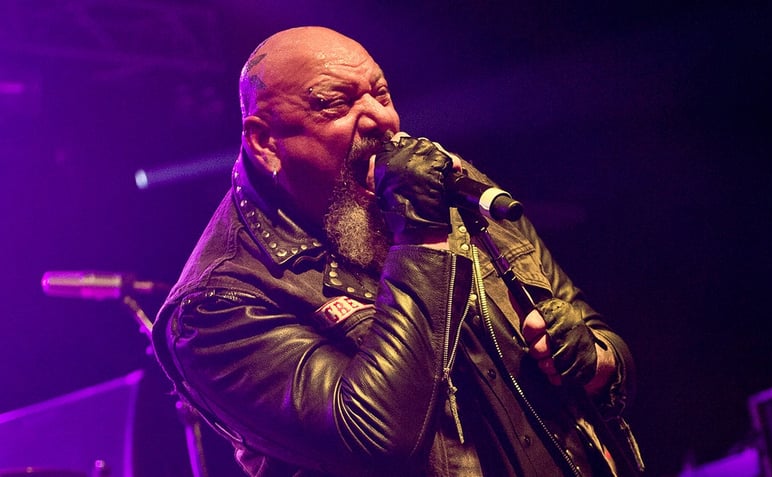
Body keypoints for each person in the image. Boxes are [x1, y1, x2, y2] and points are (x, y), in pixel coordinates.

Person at [152, 26, 643, 477]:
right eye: (334, 103)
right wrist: (422, 240)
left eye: (381, 93)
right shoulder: (216, 304)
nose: (382, 120)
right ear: (266, 142)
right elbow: (374, 438)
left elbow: (607, 347)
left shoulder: (443, 194)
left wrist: (593, 360)